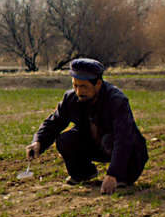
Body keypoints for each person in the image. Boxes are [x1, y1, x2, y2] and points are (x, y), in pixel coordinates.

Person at [26, 58, 148, 194]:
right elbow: (54, 123)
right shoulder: (71, 99)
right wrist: (38, 142)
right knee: (65, 139)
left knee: (110, 140)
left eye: (83, 86)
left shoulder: (117, 100)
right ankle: (83, 173)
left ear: (98, 84)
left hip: (126, 151)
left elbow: (123, 139)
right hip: (96, 145)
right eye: (75, 86)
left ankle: (123, 178)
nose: (78, 92)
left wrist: (113, 174)